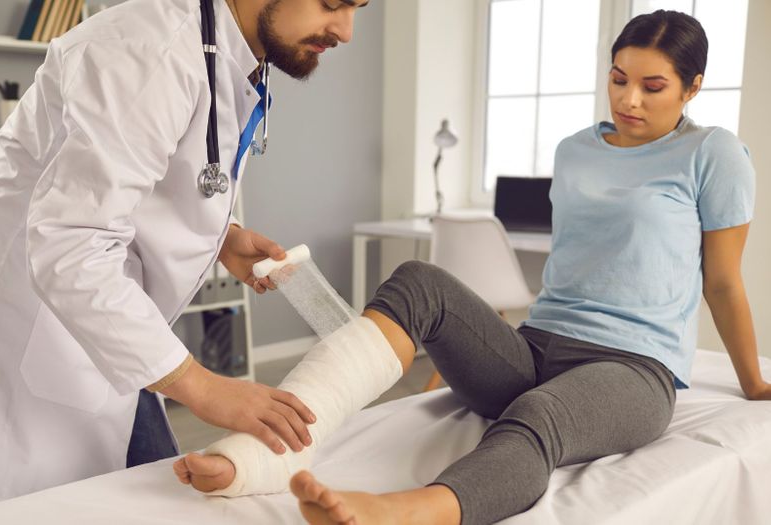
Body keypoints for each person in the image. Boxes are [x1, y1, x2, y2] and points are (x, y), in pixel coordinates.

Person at [175, 10, 770, 524]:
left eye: (653, 86)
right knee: (416, 281)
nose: (628, 99)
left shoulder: (713, 153)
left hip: (633, 368)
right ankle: (277, 448)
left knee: (537, 414)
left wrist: (754, 383)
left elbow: (720, 280)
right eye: (618, 79)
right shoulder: (576, 150)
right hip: (536, 349)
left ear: (692, 89)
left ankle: (408, 512)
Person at [0, 0, 369, 507]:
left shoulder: (226, 53)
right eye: (333, 3)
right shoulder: (148, 52)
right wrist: (203, 386)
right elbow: (71, 247)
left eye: (357, 8)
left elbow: (157, 175)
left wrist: (225, 235)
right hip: (35, 336)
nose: (346, 31)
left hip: (114, 338)